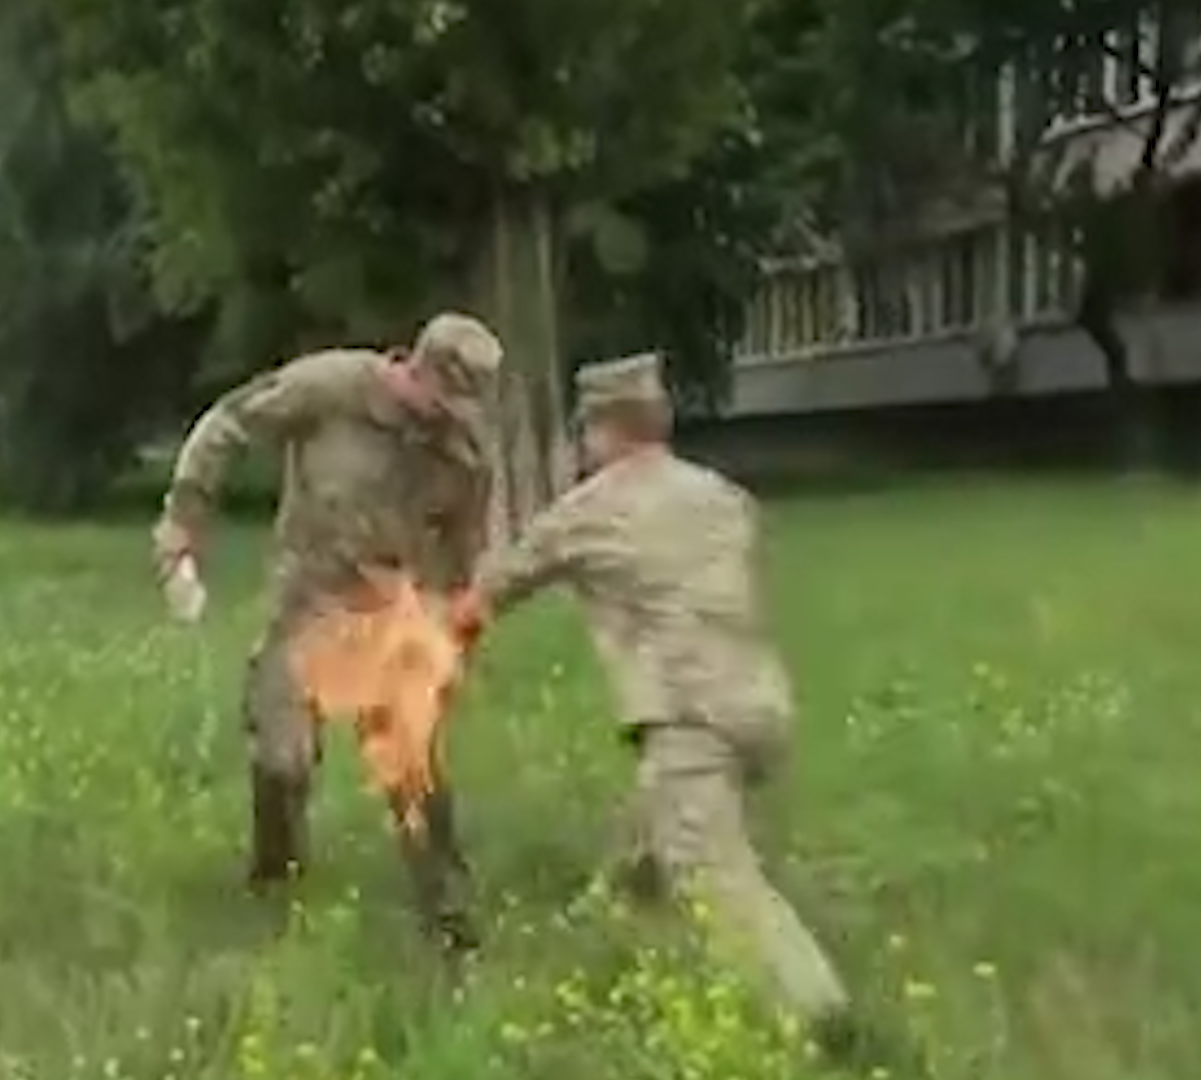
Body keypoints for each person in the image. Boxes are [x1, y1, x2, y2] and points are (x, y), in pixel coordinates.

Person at [447, 352, 868, 1053]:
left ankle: (823, 1017)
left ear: (603, 430)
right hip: (761, 704)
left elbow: (492, 590)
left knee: (711, 872)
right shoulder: (725, 495)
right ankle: (611, 938)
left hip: (687, 713)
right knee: (653, 836)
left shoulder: (591, 509)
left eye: (586, 433)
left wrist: (428, 641)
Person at [151, 312, 502, 951]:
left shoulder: (462, 453)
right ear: (414, 370)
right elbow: (228, 425)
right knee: (281, 757)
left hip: (393, 616)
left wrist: (451, 638)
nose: (443, 420)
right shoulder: (331, 387)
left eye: (458, 410)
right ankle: (274, 884)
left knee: (413, 759)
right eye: (439, 403)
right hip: (306, 605)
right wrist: (184, 519)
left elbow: (462, 552)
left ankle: (448, 915)